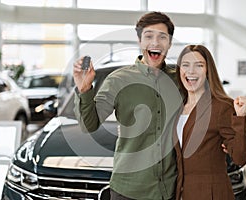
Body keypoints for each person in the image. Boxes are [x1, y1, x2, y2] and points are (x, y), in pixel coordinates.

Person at [73, 12, 183, 199]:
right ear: (140, 41)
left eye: (162, 37)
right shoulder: (118, 80)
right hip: (128, 190)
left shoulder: (180, 78)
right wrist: (84, 89)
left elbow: (204, 107)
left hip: (170, 188)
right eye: (149, 36)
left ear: (170, 43)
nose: (155, 43)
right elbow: (88, 125)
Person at [174, 45, 246, 200]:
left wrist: (241, 117)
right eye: (185, 65)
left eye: (199, 65)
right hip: (182, 192)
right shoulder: (177, 107)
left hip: (210, 193)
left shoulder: (221, 107)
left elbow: (239, 157)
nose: (191, 71)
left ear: (208, 70)